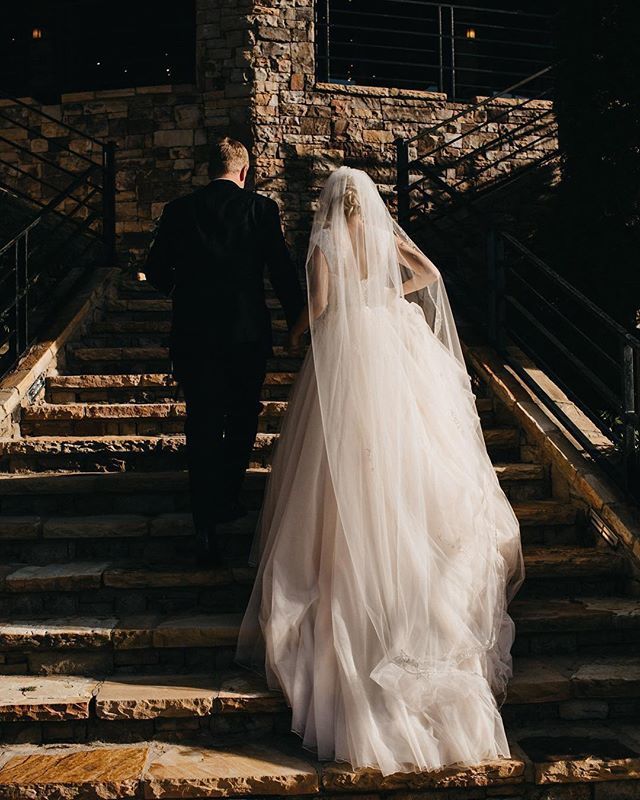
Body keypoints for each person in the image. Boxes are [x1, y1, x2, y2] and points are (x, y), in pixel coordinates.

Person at [236, 166, 524, 775]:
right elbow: (431, 275)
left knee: (344, 468)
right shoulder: (384, 237)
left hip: (348, 350)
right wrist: (387, 294)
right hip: (393, 343)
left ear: (328, 204)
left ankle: (355, 581)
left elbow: (316, 306)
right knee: (407, 460)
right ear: (365, 200)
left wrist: (295, 334)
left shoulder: (324, 242)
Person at [143, 136, 304, 564]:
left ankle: (203, 523)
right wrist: (300, 322)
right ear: (244, 171)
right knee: (242, 414)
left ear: (207, 168)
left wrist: (184, 290)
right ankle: (228, 497)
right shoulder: (261, 209)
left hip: (194, 334)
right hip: (245, 333)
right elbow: (283, 272)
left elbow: (155, 271)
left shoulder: (179, 210)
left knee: (201, 420)